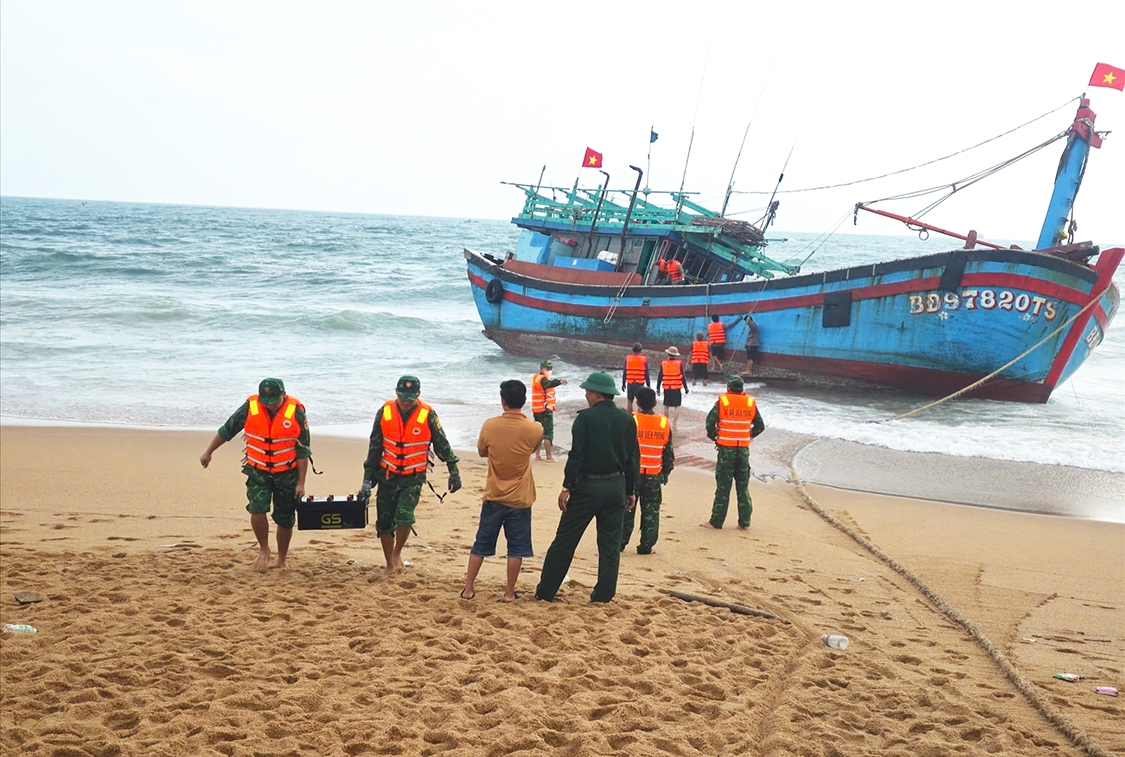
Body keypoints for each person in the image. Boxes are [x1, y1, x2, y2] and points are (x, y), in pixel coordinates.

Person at [535, 371, 639, 603]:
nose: (585, 395)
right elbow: (633, 459)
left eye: (587, 391)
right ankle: (603, 595)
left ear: (596, 393)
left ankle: (546, 591)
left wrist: (567, 486)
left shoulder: (585, 419)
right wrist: (630, 490)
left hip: (588, 486)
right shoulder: (628, 419)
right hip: (616, 487)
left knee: (566, 540)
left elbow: (577, 456)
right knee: (610, 544)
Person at [199, 378, 310, 572]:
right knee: (257, 508)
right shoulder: (250, 407)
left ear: (284, 395)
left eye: (273, 401)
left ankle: (281, 559)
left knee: (285, 518)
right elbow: (227, 430)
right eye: (265, 400)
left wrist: (301, 483)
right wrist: (209, 452)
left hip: (287, 472)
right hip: (258, 470)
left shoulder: (297, 411)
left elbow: (303, 450)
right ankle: (264, 549)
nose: (269, 405)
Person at [360, 376, 462, 574]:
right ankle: (390, 563)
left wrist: (453, 470)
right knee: (384, 522)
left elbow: (442, 444)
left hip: (413, 477)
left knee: (405, 516)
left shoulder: (428, 414)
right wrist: (367, 479)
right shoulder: (385, 412)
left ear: (419, 395)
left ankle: (397, 553)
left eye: (411, 398)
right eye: (403, 397)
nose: (406, 402)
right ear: (396, 392)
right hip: (387, 475)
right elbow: (375, 446)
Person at [461, 380, 544, 602]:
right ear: (524, 401)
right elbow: (533, 448)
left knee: (481, 543)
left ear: (503, 401)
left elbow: (481, 452)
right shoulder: (534, 428)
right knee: (517, 548)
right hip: (520, 498)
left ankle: (468, 589)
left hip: (494, 494)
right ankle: (509, 592)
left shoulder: (490, 425)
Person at [701, 375, 765, 530]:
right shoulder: (750, 402)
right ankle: (744, 522)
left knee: (723, 486)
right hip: (743, 450)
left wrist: (715, 437)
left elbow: (710, 422)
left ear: (728, 388)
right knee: (743, 486)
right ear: (742, 388)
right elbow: (760, 425)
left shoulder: (723, 401)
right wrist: (747, 436)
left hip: (726, 450)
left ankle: (716, 521)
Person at [621, 387, 674, 555]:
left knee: (626, 508)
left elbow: (623, 449)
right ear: (655, 403)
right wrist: (665, 473)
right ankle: (646, 545)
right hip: (653, 474)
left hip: (632, 475)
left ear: (637, 403)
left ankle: (620, 542)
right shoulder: (663, 423)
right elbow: (668, 453)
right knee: (651, 510)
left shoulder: (631, 420)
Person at [531, 359, 568, 461]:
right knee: (548, 434)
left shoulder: (536, 378)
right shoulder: (543, 379)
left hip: (536, 409)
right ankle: (549, 456)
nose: (550, 370)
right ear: (542, 368)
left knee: (538, 433)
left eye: (551, 368)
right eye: (548, 368)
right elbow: (549, 384)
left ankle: (537, 456)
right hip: (545, 410)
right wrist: (559, 381)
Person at [656, 346, 689, 429]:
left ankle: (667, 422)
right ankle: (674, 423)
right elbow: (683, 377)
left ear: (668, 353)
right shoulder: (679, 363)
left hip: (667, 387)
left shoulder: (664, 363)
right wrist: (686, 388)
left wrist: (658, 388)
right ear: (676, 355)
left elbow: (660, 376)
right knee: (677, 406)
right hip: (676, 387)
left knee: (666, 405)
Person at [621, 342, 651, 413]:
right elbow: (647, 373)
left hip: (630, 383)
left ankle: (630, 416)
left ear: (632, 349)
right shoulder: (644, 359)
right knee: (640, 403)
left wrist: (623, 383)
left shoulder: (628, 358)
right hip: (640, 384)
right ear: (641, 350)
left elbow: (625, 372)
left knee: (629, 401)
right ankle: (638, 417)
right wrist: (648, 385)